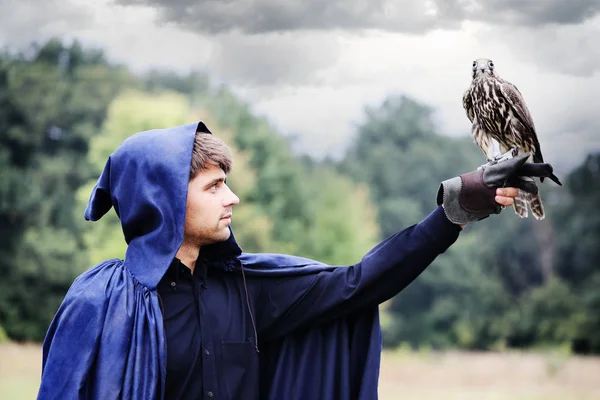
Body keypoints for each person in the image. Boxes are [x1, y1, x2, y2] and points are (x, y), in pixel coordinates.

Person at [37, 121, 555, 400]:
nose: (232, 198)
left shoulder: (247, 287)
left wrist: (454, 210)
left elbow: (360, 282)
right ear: (165, 198)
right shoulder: (99, 304)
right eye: (214, 186)